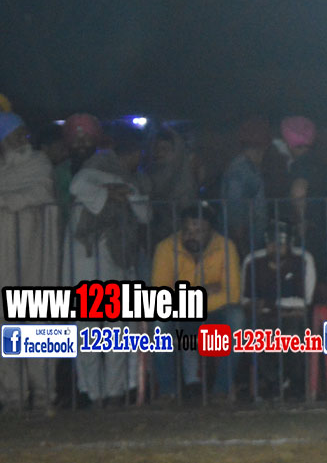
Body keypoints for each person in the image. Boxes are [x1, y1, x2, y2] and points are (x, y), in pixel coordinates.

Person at [62, 126, 148, 406]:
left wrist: (124, 193)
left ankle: (109, 392)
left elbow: (144, 214)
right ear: (133, 153)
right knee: (93, 332)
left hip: (114, 262)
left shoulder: (130, 180)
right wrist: (111, 193)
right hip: (88, 261)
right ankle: (98, 392)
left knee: (112, 331)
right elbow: (77, 186)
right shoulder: (96, 170)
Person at [150, 202, 244, 401]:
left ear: (211, 231)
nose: (191, 236)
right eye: (186, 231)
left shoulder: (226, 247)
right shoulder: (166, 248)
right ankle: (168, 391)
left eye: (198, 231)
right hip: (180, 316)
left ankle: (221, 389)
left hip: (212, 316)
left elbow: (233, 295)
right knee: (158, 320)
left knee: (236, 317)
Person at [0, 113, 59, 414]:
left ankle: (44, 392)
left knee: (38, 317)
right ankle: (13, 394)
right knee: (5, 322)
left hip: (36, 251)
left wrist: (5, 201)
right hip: (4, 256)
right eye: (15, 134)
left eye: (24, 132)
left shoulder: (38, 163)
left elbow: (41, 191)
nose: (22, 139)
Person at [241, 219, 315, 400]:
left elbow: (304, 301)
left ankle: (295, 384)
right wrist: (274, 306)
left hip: (292, 317)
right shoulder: (253, 261)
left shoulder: (303, 259)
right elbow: (246, 299)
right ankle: (276, 382)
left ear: (290, 243)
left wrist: (270, 304)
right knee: (253, 333)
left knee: (292, 333)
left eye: (280, 243)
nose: (275, 247)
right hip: (263, 317)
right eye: (271, 243)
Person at [221, 117, 271, 256]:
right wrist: (241, 245)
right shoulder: (241, 170)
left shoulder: (249, 168)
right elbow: (235, 207)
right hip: (246, 243)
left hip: (250, 241)